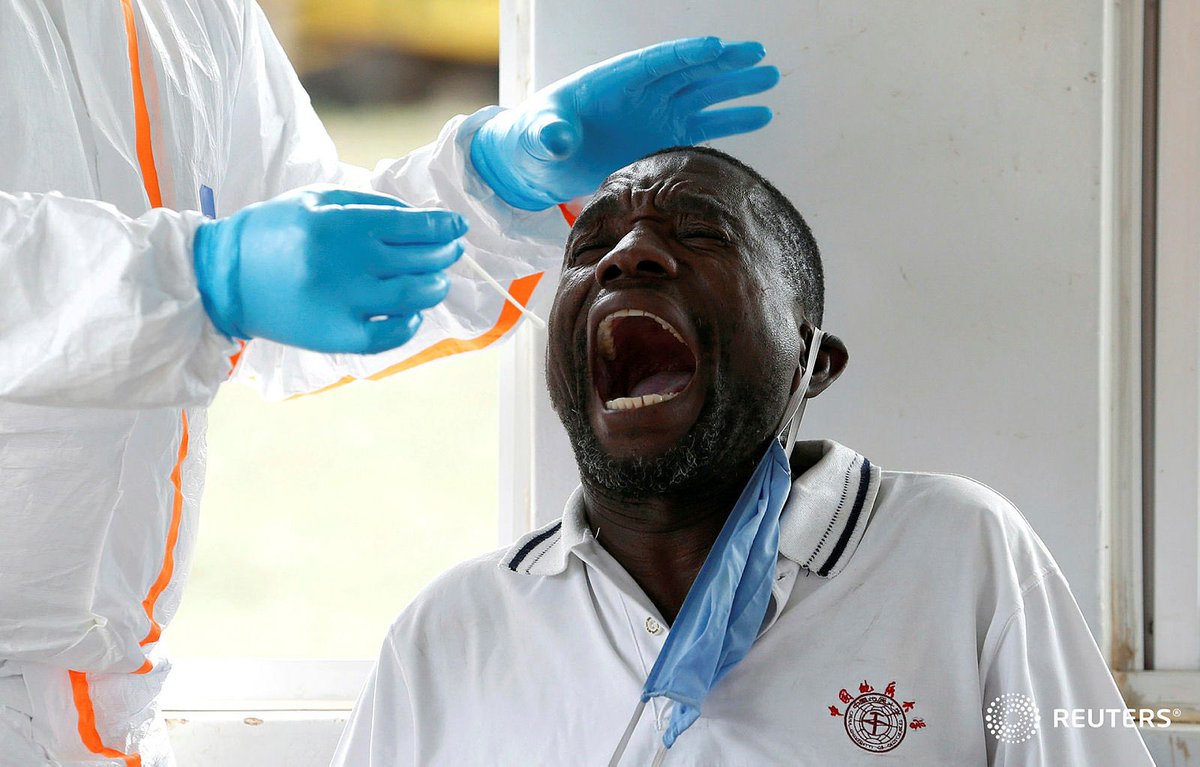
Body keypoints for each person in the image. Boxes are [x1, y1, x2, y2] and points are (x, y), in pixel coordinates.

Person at [0, 1, 781, 763]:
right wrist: (200, 274)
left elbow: (296, 267)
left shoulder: (189, 17)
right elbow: (215, 281)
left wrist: (493, 188)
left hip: (91, 712)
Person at [332, 147, 1156, 766]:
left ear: (812, 362)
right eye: (590, 251)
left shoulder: (961, 552)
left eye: (699, 233)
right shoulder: (455, 631)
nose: (628, 256)